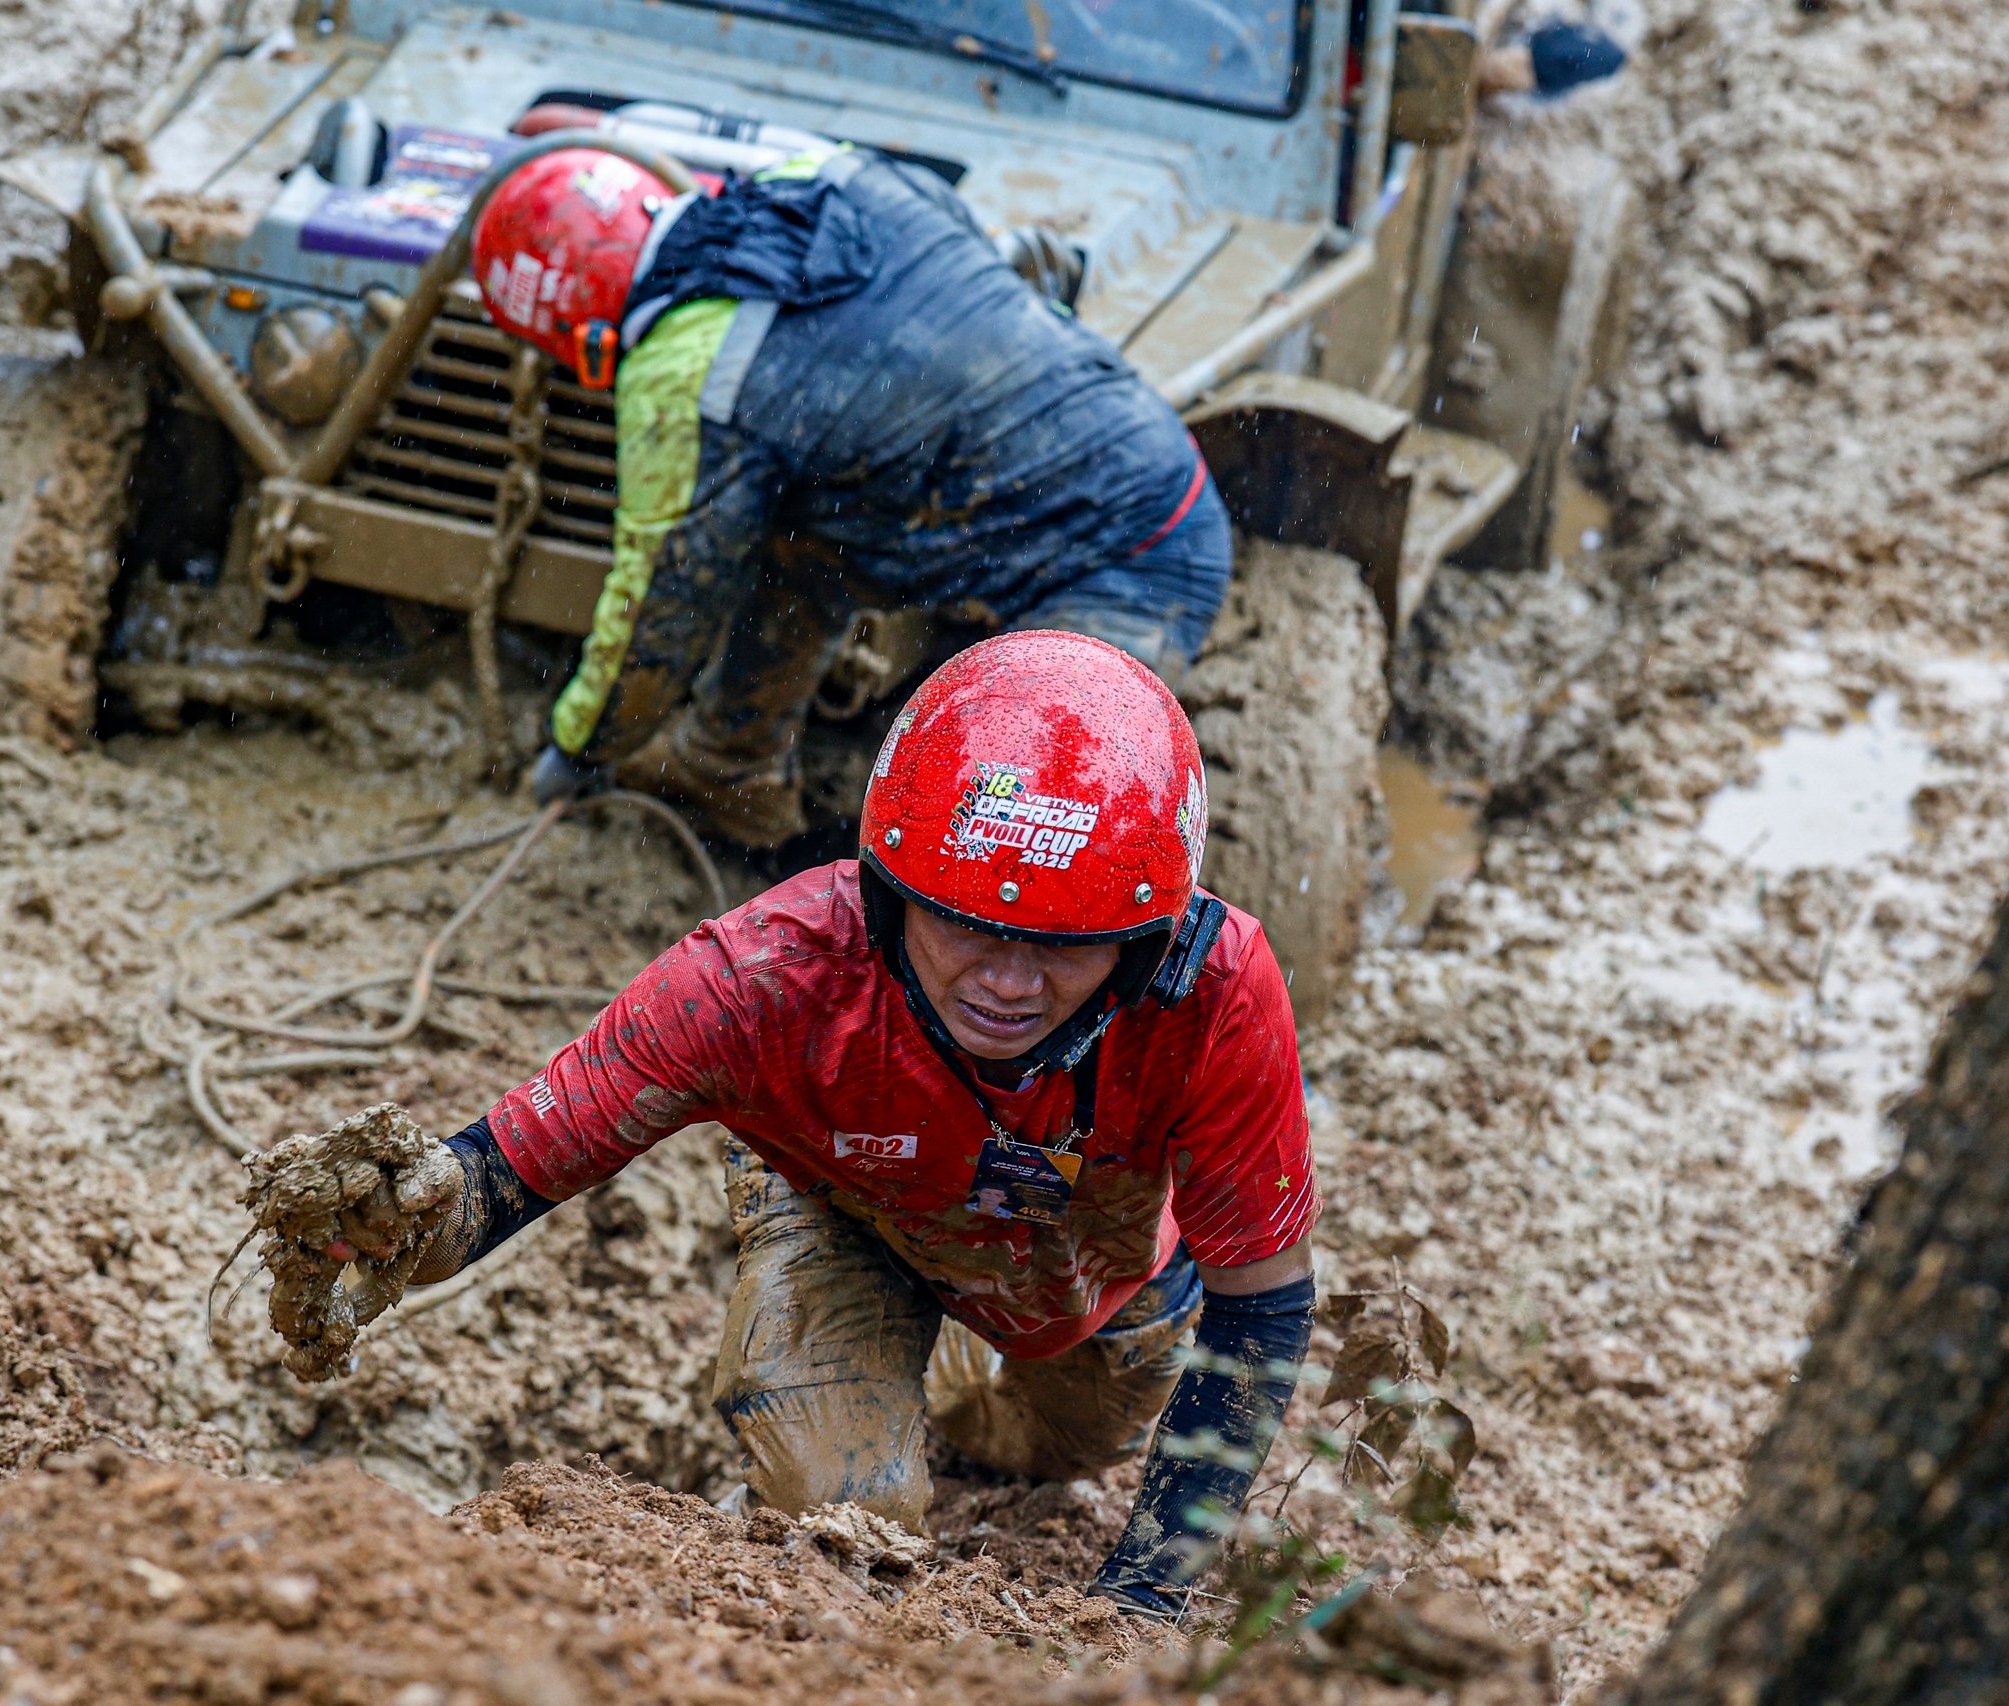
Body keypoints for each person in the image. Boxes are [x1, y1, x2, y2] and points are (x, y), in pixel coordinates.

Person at [337, 631, 1317, 1615]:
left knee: (1058, 1438)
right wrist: (377, 1217)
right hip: (848, 1210)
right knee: (843, 1522)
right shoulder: (765, 975)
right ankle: (863, 1382)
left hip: (1090, 1263)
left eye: (1063, 947)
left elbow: (1260, 1305)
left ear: (1148, 942)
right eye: (967, 925)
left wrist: (1147, 1595)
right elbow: (511, 1163)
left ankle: (964, 1376)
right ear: (888, 897)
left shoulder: (1218, 992)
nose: (1009, 985)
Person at [467, 143, 1232, 847]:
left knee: (1017, 844)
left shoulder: (685, 378)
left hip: (1137, 564)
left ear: (584, 341)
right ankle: (730, 770)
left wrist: (582, 747)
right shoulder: (824, 172)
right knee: (797, 535)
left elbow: (664, 608)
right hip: (1128, 458)